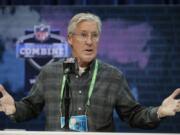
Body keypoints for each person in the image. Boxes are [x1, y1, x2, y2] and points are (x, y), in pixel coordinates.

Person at [0, 12, 180, 132]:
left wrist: (160, 112)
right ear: (70, 39)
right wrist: (14, 108)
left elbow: (133, 114)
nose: (89, 41)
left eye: (94, 35)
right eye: (83, 35)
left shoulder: (113, 76)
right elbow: (30, 108)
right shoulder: (49, 73)